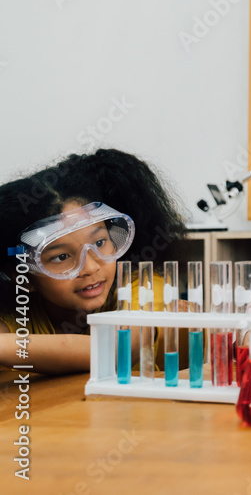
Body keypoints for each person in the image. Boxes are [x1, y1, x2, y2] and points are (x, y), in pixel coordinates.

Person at [0, 148, 188, 374]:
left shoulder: (141, 287)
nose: (91, 267)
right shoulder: (14, 313)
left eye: (99, 243)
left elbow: (121, 348)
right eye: (61, 257)